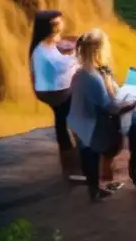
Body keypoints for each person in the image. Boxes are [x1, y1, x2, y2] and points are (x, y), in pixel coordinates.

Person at [68, 29, 136, 202]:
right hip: (89, 126)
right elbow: (111, 107)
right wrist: (132, 103)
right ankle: (95, 189)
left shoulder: (81, 72)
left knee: (88, 155)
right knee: (93, 153)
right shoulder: (93, 78)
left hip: (78, 122)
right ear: (98, 51)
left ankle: (95, 185)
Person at [29, 10, 81, 181]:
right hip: (53, 92)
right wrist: (77, 53)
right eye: (57, 24)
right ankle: (72, 158)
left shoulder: (47, 44)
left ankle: (71, 152)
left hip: (51, 87)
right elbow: (63, 65)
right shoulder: (43, 51)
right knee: (69, 112)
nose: (61, 26)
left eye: (60, 22)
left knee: (64, 117)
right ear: (47, 28)